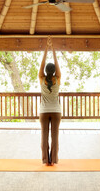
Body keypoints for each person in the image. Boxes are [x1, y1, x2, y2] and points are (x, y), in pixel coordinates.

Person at [38, 36, 61, 166]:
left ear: (46, 71)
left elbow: (42, 64)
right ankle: (54, 160)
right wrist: (53, 50)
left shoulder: (42, 78)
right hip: (56, 112)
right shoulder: (57, 79)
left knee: (44, 136)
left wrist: (46, 48)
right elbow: (57, 65)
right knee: (55, 137)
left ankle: (46, 160)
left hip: (44, 112)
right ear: (54, 71)